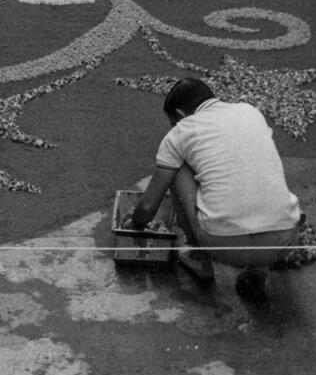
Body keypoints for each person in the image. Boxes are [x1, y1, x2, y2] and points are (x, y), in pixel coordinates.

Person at [123, 78, 301, 300]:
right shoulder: (250, 112)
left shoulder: (181, 132)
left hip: (222, 243)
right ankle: (259, 268)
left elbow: (148, 207)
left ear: (179, 115)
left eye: (173, 122)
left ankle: (200, 260)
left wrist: (135, 223)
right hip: (283, 242)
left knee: (177, 167)